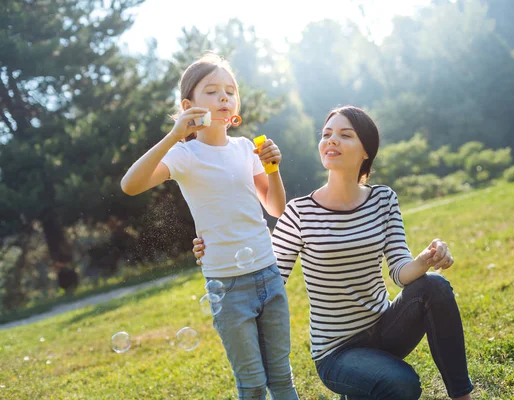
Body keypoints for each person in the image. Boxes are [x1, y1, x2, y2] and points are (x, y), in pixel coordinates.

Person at [194, 105, 474, 399]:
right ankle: (360, 381)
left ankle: (462, 396)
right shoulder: (300, 212)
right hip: (337, 352)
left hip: (385, 327)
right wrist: (219, 250)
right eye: (326, 134)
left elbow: (400, 271)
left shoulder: (383, 199)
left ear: (366, 151)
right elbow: (271, 276)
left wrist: (423, 261)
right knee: (401, 384)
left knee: (435, 286)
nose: (331, 140)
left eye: (345, 135)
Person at [121, 52, 298, 400]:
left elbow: (275, 207)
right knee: (251, 385)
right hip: (227, 286)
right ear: (189, 104)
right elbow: (130, 184)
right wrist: (174, 134)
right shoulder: (185, 155)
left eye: (230, 91)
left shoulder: (247, 149)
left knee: (282, 379)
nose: (224, 97)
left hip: (268, 273)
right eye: (213, 91)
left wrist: (273, 168)